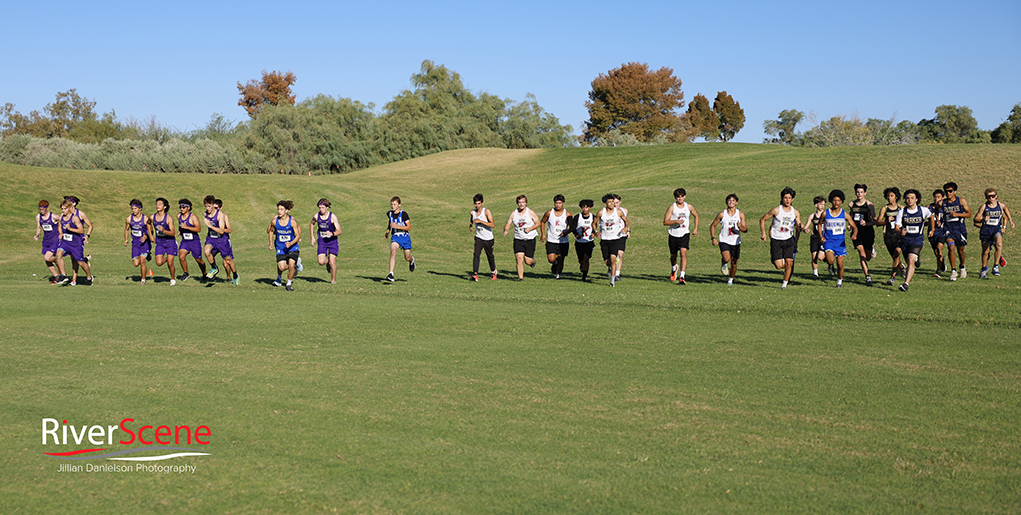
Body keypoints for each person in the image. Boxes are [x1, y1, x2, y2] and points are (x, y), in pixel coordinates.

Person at [759, 187, 801, 289]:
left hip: (789, 239)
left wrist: (803, 228)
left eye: (789, 198)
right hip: (776, 239)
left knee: (789, 263)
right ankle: (779, 260)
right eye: (785, 198)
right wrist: (763, 233)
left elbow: (799, 224)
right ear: (782, 198)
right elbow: (763, 219)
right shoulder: (776, 210)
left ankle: (784, 285)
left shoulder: (795, 212)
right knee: (779, 266)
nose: (787, 200)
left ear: (792, 199)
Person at [894, 189, 934, 292]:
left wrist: (932, 229)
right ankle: (917, 258)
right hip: (905, 240)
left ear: (916, 199)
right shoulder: (902, 212)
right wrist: (900, 231)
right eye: (907, 198)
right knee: (908, 260)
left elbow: (931, 217)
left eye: (912, 198)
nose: (910, 200)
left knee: (911, 260)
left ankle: (906, 284)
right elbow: (897, 227)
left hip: (917, 240)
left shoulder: (923, 210)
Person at [818, 189, 858, 288]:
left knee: (840, 265)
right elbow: (819, 224)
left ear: (842, 202)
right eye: (834, 200)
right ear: (831, 201)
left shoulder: (844, 214)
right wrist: (821, 236)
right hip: (829, 241)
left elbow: (854, 226)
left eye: (838, 200)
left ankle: (839, 281)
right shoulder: (825, 213)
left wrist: (854, 234)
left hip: (840, 243)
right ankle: (829, 264)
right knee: (831, 260)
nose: (836, 202)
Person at [974, 188, 1015, 278]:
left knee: (999, 244)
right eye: (989, 197)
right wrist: (983, 219)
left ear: (996, 196)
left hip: (996, 230)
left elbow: (1006, 211)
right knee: (986, 251)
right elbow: (975, 219)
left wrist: (1010, 222)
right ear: (986, 197)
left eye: (993, 196)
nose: (991, 198)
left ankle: (996, 266)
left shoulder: (1000, 206)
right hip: (986, 231)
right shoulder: (984, 207)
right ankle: (984, 269)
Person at [708, 194, 747, 285]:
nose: (731, 202)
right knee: (726, 258)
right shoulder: (722, 214)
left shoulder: (740, 214)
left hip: (736, 241)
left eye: (733, 200)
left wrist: (740, 227)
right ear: (726, 202)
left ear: (736, 203)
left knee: (734, 262)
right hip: (724, 240)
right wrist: (713, 238)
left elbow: (745, 229)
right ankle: (724, 263)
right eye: (729, 200)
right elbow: (713, 225)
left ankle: (730, 280)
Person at [663, 188, 698, 284]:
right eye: (678, 197)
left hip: (684, 233)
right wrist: (675, 221)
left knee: (683, 253)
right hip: (673, 234)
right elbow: (665, 222)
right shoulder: (672, 207)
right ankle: (674, 268)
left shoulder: (689, 207)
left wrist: (695, 229)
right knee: (673, 255)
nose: (680, 198)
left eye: (682, 196)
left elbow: (696, 215)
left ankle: (682, 276)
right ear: (675, 197)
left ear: (685, 196)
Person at [593, 193, 629, 286]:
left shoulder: (618, 212)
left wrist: (626, 228)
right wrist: (596, 231)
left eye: (613, 201)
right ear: (605, 204)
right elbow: (594, 223)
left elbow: (626, 221)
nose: (612, 204)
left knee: (613, 260)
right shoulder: (601, 212)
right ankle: (610, 266)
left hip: (615, 238)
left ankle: (612, 281)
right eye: (610, 202)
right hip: (605, 239)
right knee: (607, 262)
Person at [202, 195, 239, 285]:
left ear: (213, 205)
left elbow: (222, 231)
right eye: (206, 206)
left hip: (222, 241)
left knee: (228, 261)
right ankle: (214, 268)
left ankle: (235, 275)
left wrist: (210, 225)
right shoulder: (206, 213)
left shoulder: (221, 215)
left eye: (209, 206)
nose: (207, 208)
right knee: (206, 251)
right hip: (211, 239)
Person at [503, 195, 540, 281]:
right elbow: (508, 223)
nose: (521, 204)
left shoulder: (530, 212)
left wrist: (530, 229)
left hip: (529, 239)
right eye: (519, 202)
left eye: (523, 202)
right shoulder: (514, 213)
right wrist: (506, 230)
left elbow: (538, 223)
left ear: (526, 203)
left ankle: (532, 262)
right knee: (519, 259)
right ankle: (520, 278)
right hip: (518, 239)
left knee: (527, 261)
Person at [941, 182, 972, 281]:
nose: (948, 193)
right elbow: (936, 209)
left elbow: (969, 214)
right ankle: (953, 271)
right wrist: (938, 219)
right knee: (951, 247)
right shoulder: (942, 202)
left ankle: (962, 266)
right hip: (948, 229)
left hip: (960, 229)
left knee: (961, 250)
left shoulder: (961, 201)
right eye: (946, 192)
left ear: (955, 192)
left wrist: (957, 214)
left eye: (950, 191)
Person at [54, 199, 89, 286]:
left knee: (81, 263)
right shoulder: (62, 217)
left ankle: (89, 277)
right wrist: (61, 233)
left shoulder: (74, 218)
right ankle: (63, 275)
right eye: (62, 209)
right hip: (65, 243)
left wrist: (70, 229)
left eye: (65, 209)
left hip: (75, 244)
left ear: (70, 208)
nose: (63, 210)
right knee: (58, 254)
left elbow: (81, 230)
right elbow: (59, 225)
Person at [848, 184, 877, 285]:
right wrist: (850, 225)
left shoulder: (869, 205)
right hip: (856, 232)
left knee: (868, 257)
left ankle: (872, 248)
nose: (859, 194)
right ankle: (867, 276)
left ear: (865, 193)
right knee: (862, 254)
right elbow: (850, 216)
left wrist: (867, 223)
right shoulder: (851, 204)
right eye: (857, 192)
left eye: (861, 192)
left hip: (867, 232)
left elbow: (875, 220)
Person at [269, 200, 301, 291]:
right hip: (280, 247)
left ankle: (288, 284)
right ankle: (296, 264)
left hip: (292, 247)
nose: (279, 211)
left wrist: (291, 243)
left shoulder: (292, 222)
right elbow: (271, 231)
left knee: (291, 265)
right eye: (278, 209)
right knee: (281, 267)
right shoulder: (275, 221)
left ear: (287, 210)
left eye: (281, 209)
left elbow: (298, 235)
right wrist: (271, 243)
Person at [63, 195, 94, 284]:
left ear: (74, 204)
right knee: (73, 259)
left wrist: (87, 236)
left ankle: (88, 276)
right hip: (68, 240)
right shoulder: (65, 214)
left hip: (78, 240)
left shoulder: (80, 214)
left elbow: (90, 225)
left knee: (77, 261)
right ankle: (74, 280)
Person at [876, 187, 904, 285]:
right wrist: (886, 221)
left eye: (891, 196)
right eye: (888, 196)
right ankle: (902, 268)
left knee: (897, 253)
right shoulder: (885, 208)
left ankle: (893, 277)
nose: (889, 198)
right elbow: (878, 223)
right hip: (888, 235)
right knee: (895, 256)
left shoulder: (901, 208)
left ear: (896, 197)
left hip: (899, 235)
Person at [540, 194, 571, 279]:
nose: (558, 205)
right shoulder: (549, 213)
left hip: (563, 241)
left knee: (561, 258)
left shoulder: (567, 214)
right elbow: (542, 222)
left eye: (559, 203)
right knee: (551, 259)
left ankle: (558, 275)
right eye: (556, 203)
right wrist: (543, 234)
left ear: (563, 203)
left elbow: (571, 227)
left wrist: (566, 232)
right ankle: (555, 263)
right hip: (551, 240)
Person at [385, 196, 415, 282]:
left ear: (399, 205)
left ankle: (412, 260)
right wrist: (388, 231)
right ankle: (391, 274)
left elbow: (409, 228)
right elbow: (391, 222)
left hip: (405, 237)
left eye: (394, 204)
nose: (392, 206)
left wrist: (397, 226)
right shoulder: (389, 213)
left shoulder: (404, 214)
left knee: (407, 257)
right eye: (391, 204)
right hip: (395, 236)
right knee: (393, 252)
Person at [311, 198, 341, 284]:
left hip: (332, 242)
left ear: (327, 207)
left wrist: (332, 233)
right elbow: (312, 223)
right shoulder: (317, 216)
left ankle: (333, 280)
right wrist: (312, 237)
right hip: (322, 241)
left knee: (332, 262)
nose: (321, 209)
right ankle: (327, 262)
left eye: (323, 207)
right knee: (321, 262)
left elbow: (339, 231)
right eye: (319, 208)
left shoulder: (333, 217)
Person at [176, 198, 206, 281]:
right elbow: (180, 224)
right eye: (180, 207)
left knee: (199, 260)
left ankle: (204, 273)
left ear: (188, 208)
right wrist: (180, 230)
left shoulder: (193, 217)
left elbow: (198, 229)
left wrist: (187, 227)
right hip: (185, 241)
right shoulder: (179, 216)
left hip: (194, 242)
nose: (181, 209)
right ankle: (186, 273)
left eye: (183, 207)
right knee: (181, 257)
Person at [124, 199, 153, 284]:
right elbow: (126, 229)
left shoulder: (145, 219)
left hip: (145, 243)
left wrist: (146, 236)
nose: (134, 210)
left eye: (135, 208)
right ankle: (148, 256)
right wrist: (126, 239)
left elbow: (151, 230)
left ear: (140, 209)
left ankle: (143, 280)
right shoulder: (129, 219)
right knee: (136, 264)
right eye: (132, 208)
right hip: (135, 243)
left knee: (142, 260)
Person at [468, 194, 496, 281]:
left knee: (490, 256)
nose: (477, 206)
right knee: (476, 254)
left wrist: (481, 221)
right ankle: (475, 274)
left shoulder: (486, 211)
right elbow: (472, 219)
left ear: (482, 203)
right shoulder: (473, 212)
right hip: (479, 237)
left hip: (488, 239)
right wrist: (471, 226)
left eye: (479, 203)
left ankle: (493, 271)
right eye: (475, 204)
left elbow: (492, 224)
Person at [151, 197, 178, 286]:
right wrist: (151, 235)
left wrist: (164, 231)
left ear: (165, 207)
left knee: (170, 263)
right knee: (159, 263)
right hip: (160, 243)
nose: (157, 206)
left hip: (170, 242)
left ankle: (173, 279)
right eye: (156, 204)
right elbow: (147, 223)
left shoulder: (168, 218)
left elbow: (173, 233)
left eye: (160, 204)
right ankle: (169, 257)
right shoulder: (152, 217)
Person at [569, 199, 596, 282]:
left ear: (590, 208)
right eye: (583, 207)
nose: (585, 209)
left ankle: (584, 277)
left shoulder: (593, 217)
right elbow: (573, 228)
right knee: (581, 260)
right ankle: (582, 265)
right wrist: (576, 234)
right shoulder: (578, 217)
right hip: (579, 242)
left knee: (586, 258)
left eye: (587, 207)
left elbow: (595, 227)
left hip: (589, 241)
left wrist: (593, 233)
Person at [34, 200, 61, 282]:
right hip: (46, 240)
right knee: (47, 261)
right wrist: (37, 235)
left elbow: (63, 220)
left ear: (47, 208)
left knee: (47, 257)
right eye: (40, 209)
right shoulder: (38, 217)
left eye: (43, 209)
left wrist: (61, 232)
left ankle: (58, 261)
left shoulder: (53, 216)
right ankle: (57, 277)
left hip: (55, 240)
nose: (41, 211)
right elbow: (39, 227)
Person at [802, 196, 828, 277]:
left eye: (823, 204)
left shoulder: (827, 214)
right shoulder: (812, 216)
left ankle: (829, 262)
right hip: (815, 238)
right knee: (814, 256)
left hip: (824, 238)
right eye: (820, 204)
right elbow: (806, 226)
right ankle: (815, 274)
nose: (822, 206)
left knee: (820, 257)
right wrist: (805, 230)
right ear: (816, 205)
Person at [927, 189, 948, 277]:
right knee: (936, 252)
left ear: (942, 198)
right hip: (931, 232)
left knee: (939, 249)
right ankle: (942, 262)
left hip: (941, 232)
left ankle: (938, 270)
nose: (936, 199)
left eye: (938, 197)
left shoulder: (945, 207)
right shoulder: (928, 207)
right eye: (935, 197)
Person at [612, 194, 629, 282]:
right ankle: (611, 267)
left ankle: (617, 274)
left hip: (621, 235)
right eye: (614, 203)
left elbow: (626, 222)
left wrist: (628, 230)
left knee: (620, 254)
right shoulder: (609, 212)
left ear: (620, 202)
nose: (615, 205)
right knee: (613, 256)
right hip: (611, 235)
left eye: (617, 203)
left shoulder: (624, 210)